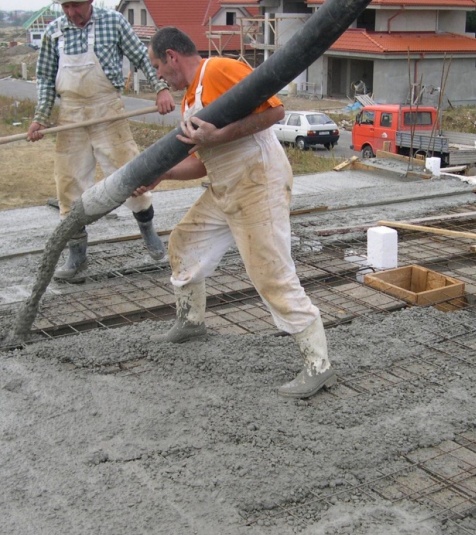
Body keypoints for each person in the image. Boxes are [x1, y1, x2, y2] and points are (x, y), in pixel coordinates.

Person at [140, 27, 336, 399]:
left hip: (257, 181)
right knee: (184, 243)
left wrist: (218, 136)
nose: (159, 76)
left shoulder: (217, 70)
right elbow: (202, 163)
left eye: (158, 67)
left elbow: (276, 111)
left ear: (171, 56)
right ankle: (191, 321)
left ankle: (318, 365)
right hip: (225, 186)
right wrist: (161, 174)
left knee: (270, 273)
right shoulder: (189, 101)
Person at [27, 0, 175, 280]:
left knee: (132, 174)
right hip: (71, 116)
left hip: (108, 109)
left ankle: (148, 231)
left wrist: (161, 89)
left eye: (77, 5)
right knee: (68, 185)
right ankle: (78, 257)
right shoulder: (53, 33)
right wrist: (41, 117)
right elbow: (45, 79)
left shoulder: (114, 22)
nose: (72, 13)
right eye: (66, 7)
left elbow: (142, 58)